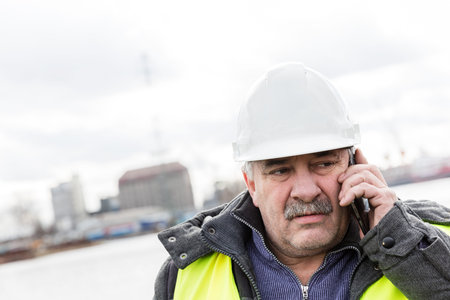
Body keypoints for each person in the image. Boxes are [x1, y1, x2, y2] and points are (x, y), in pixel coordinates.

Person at [154, 63, 450, 299]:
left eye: (323, 163)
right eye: (280, 170)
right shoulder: (183, 276)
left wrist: (403, 243)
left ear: (355, 163)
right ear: (252, 184)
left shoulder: (431, 241)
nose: (306, 191)